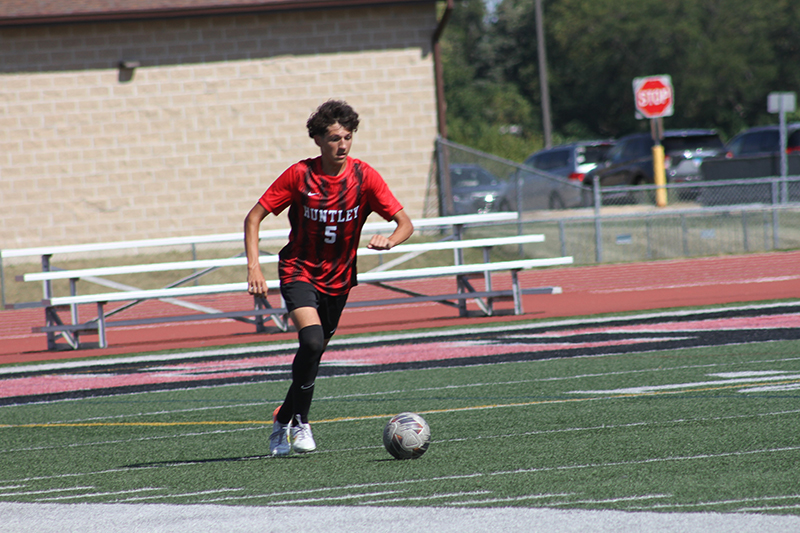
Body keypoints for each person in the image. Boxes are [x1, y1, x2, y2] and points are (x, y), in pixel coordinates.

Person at [244, 100, 414, 456]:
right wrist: (254, 267)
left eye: (348, 137)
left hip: (339, 280)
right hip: (298, 270)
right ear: (318, 140)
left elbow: (405, 224)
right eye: (335, 138)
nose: (343, 145)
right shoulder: (299, 175)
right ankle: (301, 421)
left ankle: (282, 419)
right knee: (311, 342)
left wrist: (390, 239)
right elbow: (254, 217)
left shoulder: (364, 177)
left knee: (315, 353)